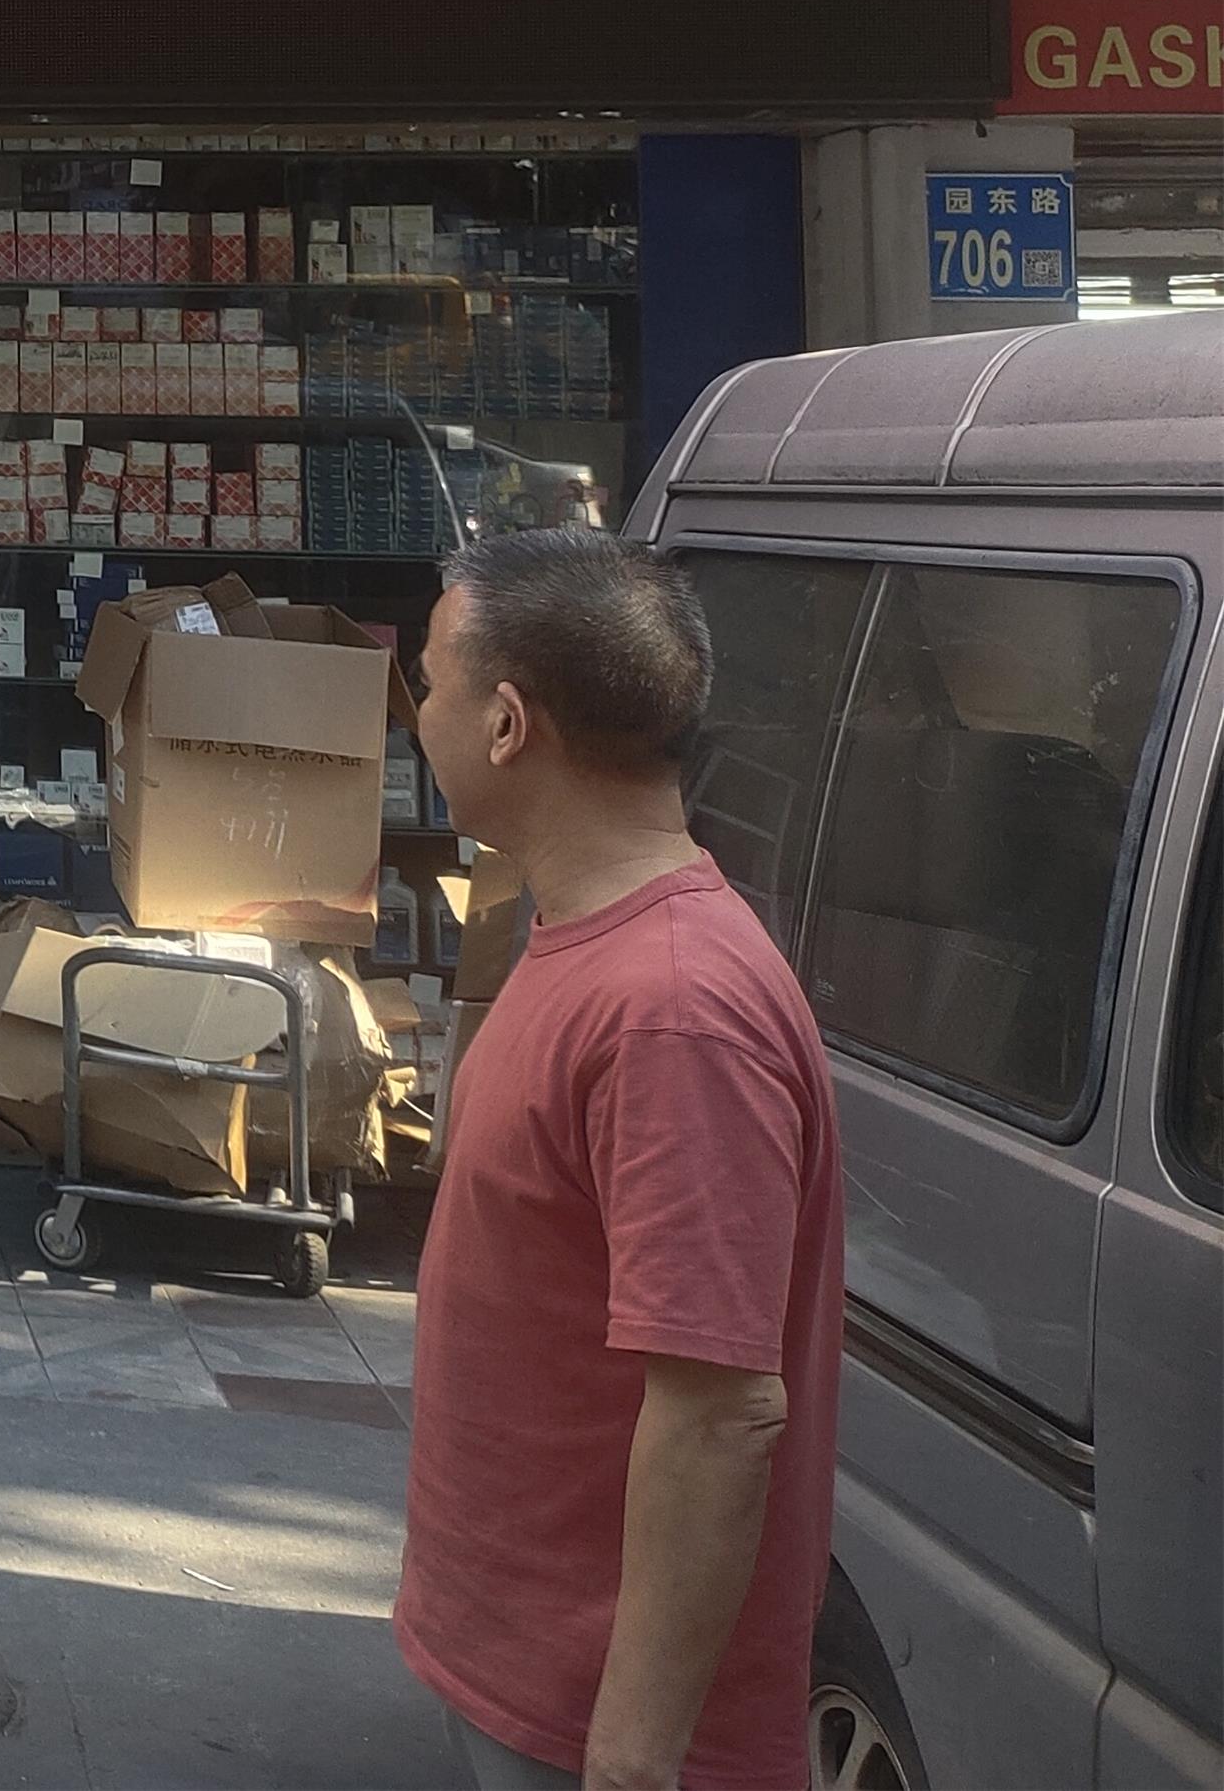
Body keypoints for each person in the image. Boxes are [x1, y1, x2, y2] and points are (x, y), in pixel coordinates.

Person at [392, 527, 843, 1791]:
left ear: (506, 723)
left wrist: (632, 1760)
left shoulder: (673, 1009)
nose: (416, 711)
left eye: (429, 679)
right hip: (523, 1673)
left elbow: (719, 1415)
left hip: (594, 1726)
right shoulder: (591, 941)